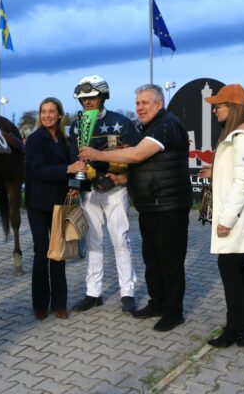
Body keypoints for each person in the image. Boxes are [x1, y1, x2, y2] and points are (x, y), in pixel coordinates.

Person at [79, 83, 192, 332]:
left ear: (159, 104)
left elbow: (138, 155)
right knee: (152, 259)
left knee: (170, 261)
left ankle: (174, 312)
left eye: (145, 103)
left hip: (169, 205)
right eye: (137, 103)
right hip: (150, 204)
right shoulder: (147, 127)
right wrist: (121, 178)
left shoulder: (166, 125)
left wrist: (98, 155)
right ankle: (157, 303)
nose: (139, 108)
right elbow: (142, 164)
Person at [200, 84, 244, 347]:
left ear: (234, 108)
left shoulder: (242, 138)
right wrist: (216, 172)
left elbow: (243, 184)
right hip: (242, 215)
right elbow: (239, 175)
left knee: (230, 268)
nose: (215, 110)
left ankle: (235, 329)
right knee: (240, 268)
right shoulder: (241, 135)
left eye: (219, 105)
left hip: (238, 217)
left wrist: (225, 221)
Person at [69, 75, 139, 314]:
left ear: (102, 97)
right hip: (89, 192)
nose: (87, 102)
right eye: (83, 99)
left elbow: (136, 155)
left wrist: (124, 176)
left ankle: (127, 292)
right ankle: (93, 292)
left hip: (116, 189)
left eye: (91, 97)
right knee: (93, 243)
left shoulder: (122, 122)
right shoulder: (76, 125)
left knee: (121, 240)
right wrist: (74, 186)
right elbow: (73, 160)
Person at [25, 97, 86, 320]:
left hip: (61, 202)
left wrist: (76, 186)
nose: (47, 115)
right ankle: (40, 304)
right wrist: (68, 169)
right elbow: (38, 170)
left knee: (59, 253)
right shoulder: (34, 140)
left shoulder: (67, 140)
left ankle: (59, 302)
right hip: (38, 203)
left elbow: (80, 166)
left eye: (52, 111)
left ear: (60, 114)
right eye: (43, 111)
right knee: (41, 251)